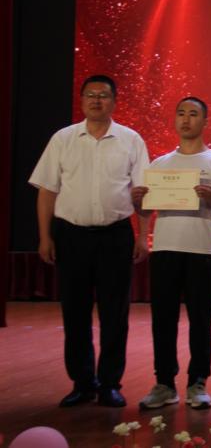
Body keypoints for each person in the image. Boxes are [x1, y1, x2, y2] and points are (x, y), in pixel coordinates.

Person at [29, 74, 149, 407]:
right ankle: (82, 382)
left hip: (115, 236)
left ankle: (110, 383)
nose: (97, 100)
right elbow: (47, 191)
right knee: (74, 311)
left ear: (114, 101)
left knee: (115, 313)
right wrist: (45, 236)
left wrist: (143, 236)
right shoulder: (63, 139)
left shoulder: (131, 140)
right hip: (71, 236)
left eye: (103, 95)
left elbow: (143, 193)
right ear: (81, 100)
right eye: (90, 95)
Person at [132, 97, 211, 410]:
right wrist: (137, 201)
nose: (186, 119)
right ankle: (164, 383)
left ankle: (198, 382)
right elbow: (146, 209)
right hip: (165, 248)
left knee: (200, 320)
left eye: (193, 114)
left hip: (200, 249)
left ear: (205, 122)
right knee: (162, 319)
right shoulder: (159, 165)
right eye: (181, 113)